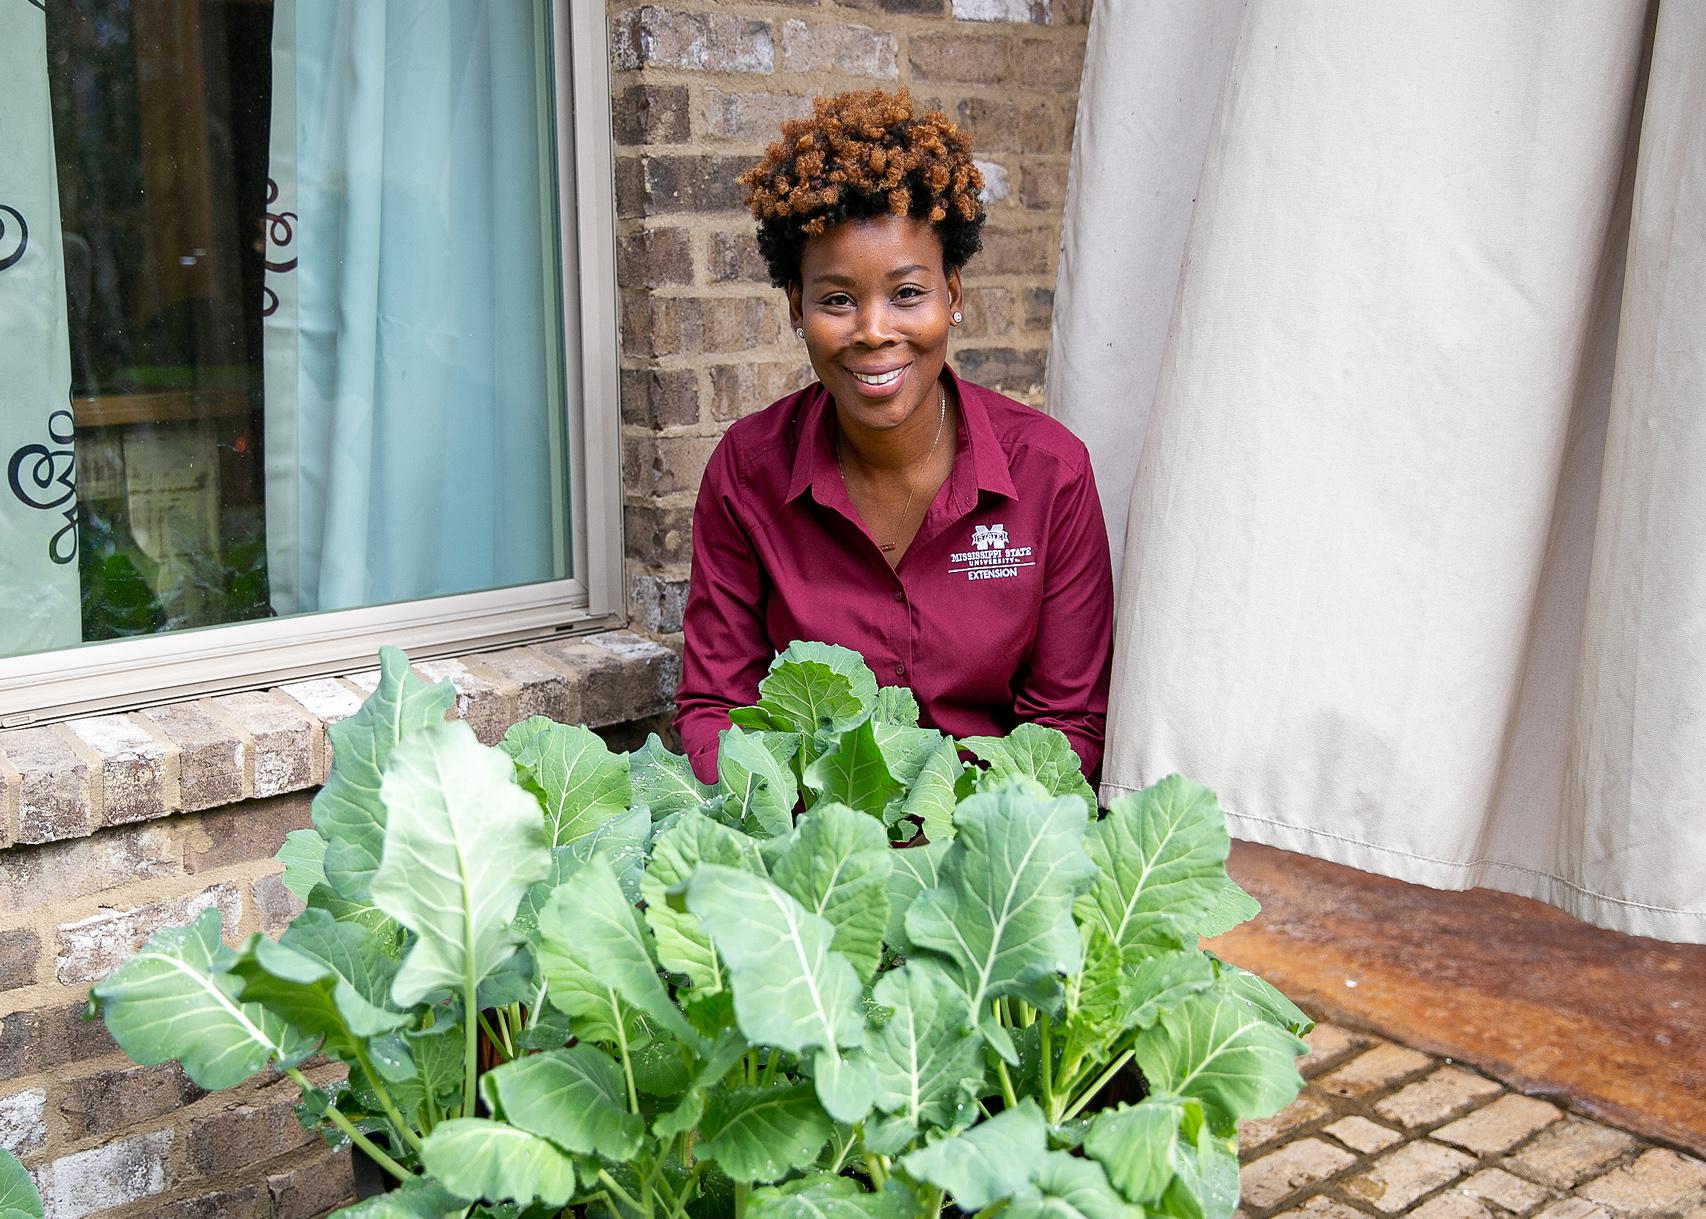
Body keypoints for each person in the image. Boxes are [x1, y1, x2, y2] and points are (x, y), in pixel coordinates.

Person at [673, 88, 1113, 785]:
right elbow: (716, 707)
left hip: (990, 855)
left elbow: (1066, 725)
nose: (874, 330)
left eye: (907, 292)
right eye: (838, 299)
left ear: (954, 295)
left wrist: (956, 843)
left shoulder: (1049, 475)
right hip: (807, 859)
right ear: (798, 307)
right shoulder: (747, 473)